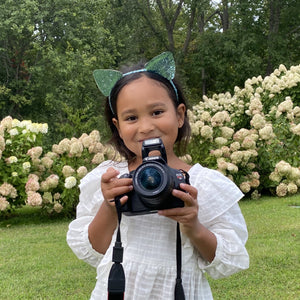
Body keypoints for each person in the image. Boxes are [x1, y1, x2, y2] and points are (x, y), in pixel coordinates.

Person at [66, 52, 249, 300]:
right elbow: (94, 249)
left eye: (156, 112)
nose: (145, 127)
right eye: (131, 118)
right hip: (118, 289)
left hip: (181, 290)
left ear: (180, 114)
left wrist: (194, 226)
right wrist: (109, 209)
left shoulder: (202, 183)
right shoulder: (110, 179)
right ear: (118, 127)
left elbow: (229, 259)